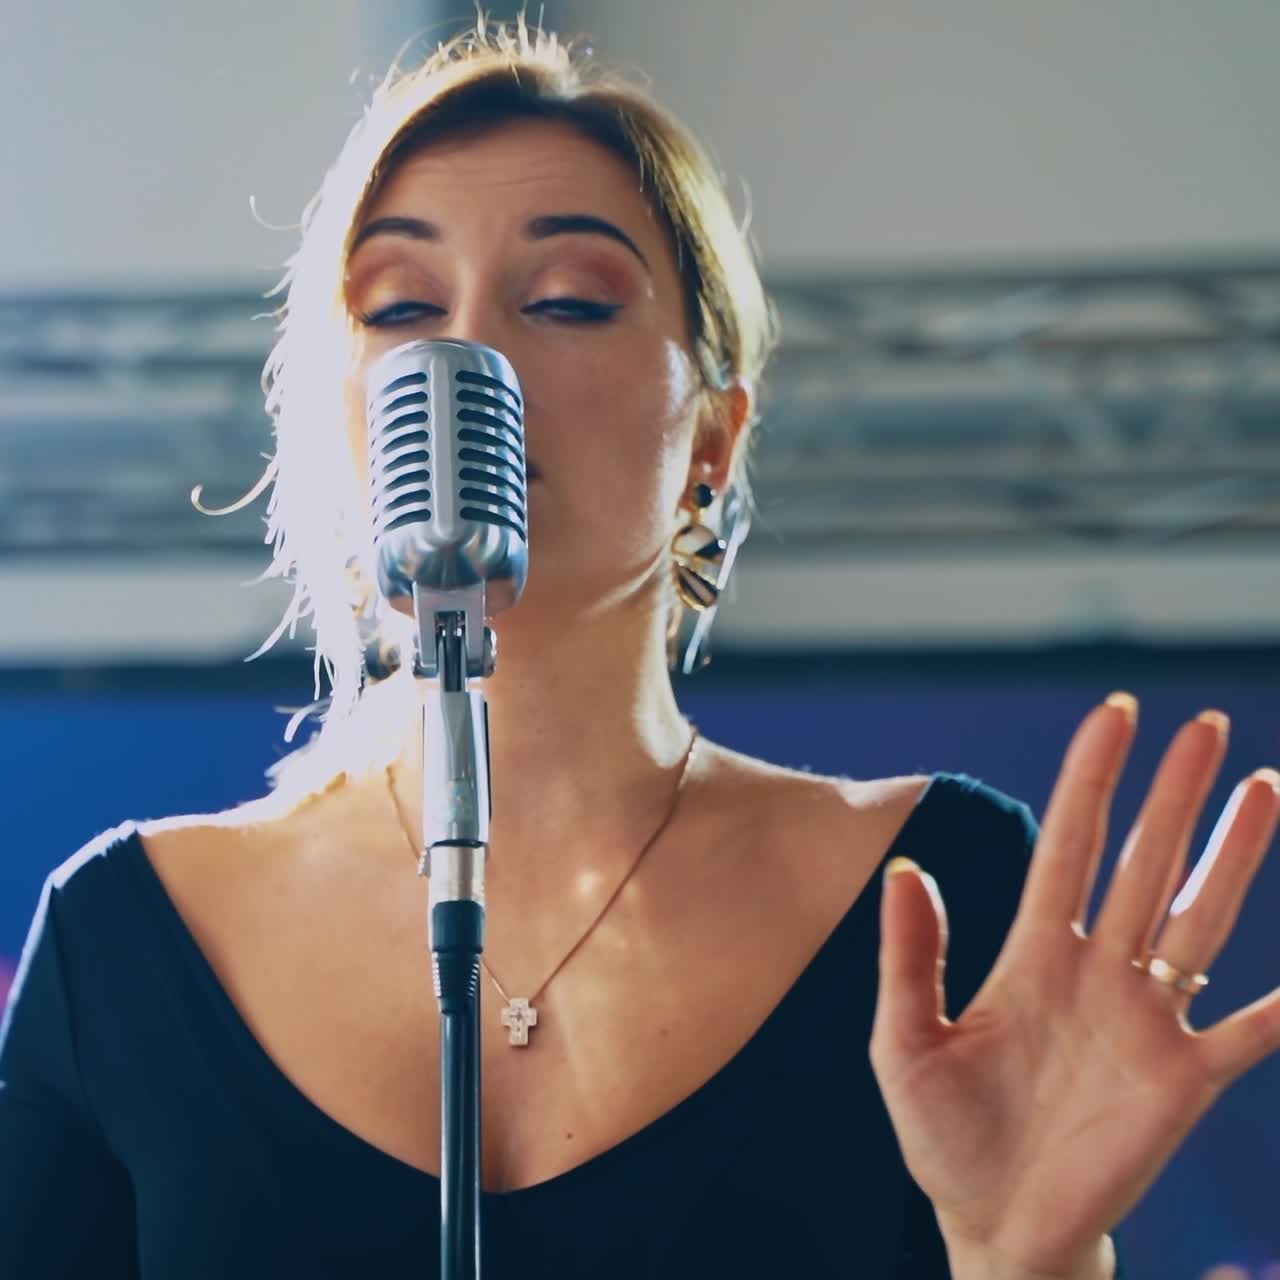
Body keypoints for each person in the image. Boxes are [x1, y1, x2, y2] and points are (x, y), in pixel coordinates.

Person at [2, 16, 1278, 1278]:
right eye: (398, 309)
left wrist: (1027, 1260)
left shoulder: (926, 890)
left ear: (711, 440)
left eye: (565, 300)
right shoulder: (122, 940)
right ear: (335, 421)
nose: (467, 357)